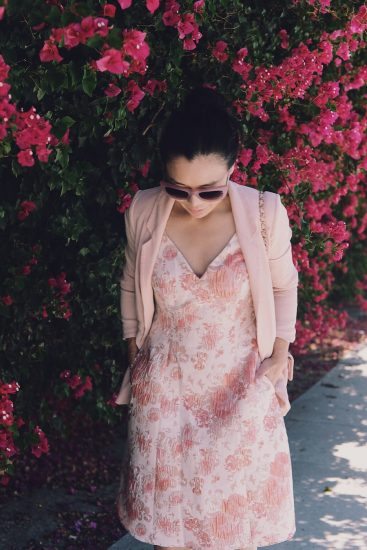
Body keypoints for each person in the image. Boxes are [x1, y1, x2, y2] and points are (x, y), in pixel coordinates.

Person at [114, 86, 299, 550]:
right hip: (165, 389)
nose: (194, 203)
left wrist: (279, 354)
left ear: (233, 169)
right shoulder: (143, 210)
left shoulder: (263, 212)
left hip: (240, 384)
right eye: (179, 188)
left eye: (209, 190)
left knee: (231, 526)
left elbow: (283, 284)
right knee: (168, 529)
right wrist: (136, 352)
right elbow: (129, 285)